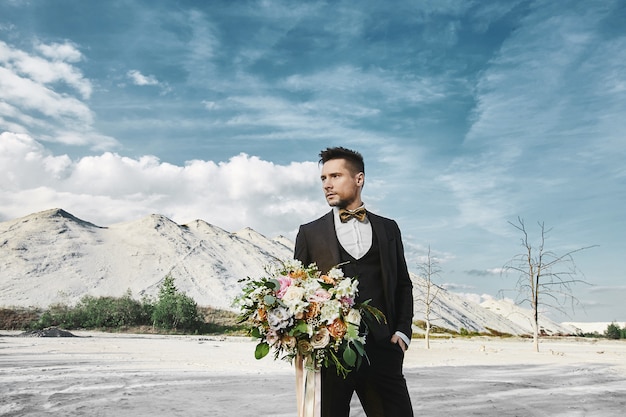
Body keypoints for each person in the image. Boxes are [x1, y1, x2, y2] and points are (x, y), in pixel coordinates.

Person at [294, 146, 414, 417]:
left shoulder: (389, 228)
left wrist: (403, 333)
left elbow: (403, 285)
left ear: (359, 179)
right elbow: (298, 291)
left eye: (335, 176)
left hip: (384, 351)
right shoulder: (309, 233)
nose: (327, 184)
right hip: (331, 354)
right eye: (323, 178)